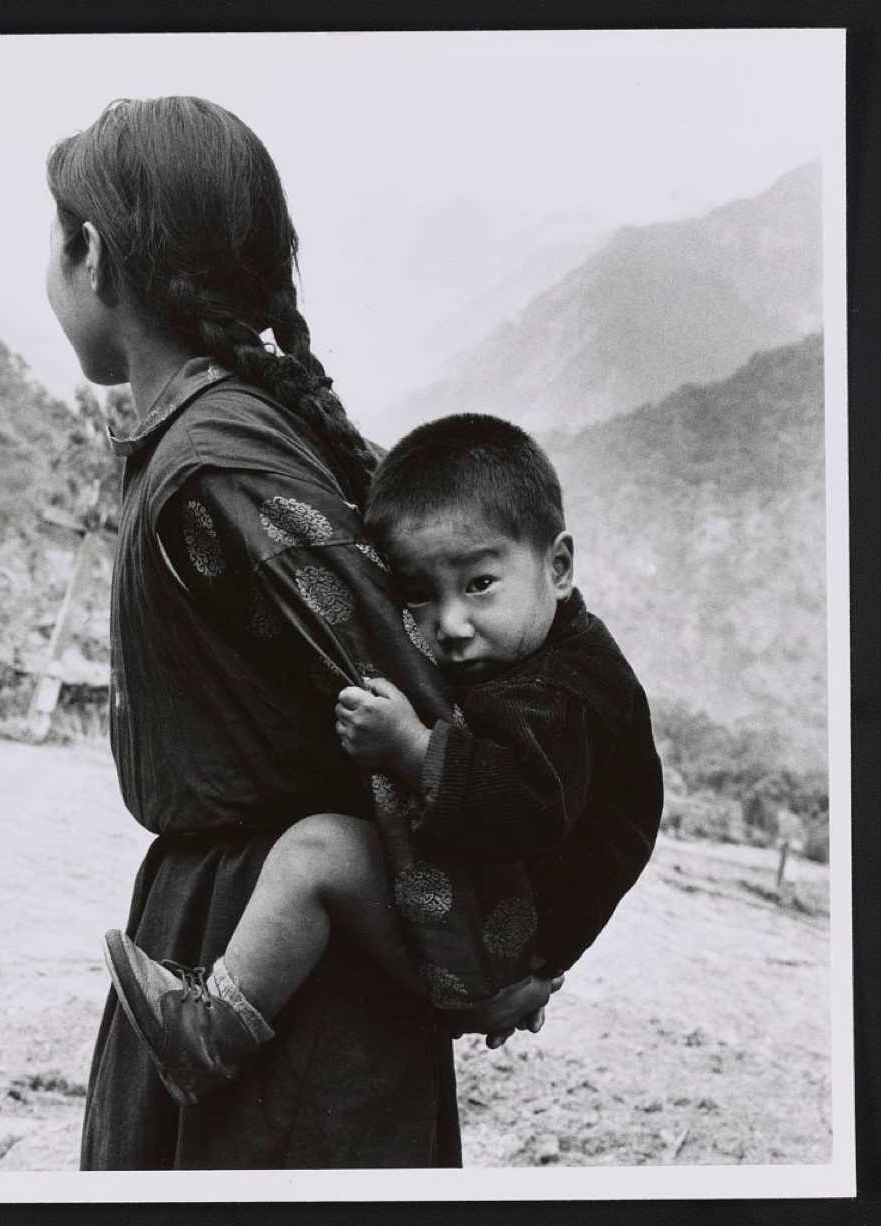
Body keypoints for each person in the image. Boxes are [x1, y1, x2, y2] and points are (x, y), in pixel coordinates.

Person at [45, 96, 560, 1171]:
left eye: (56, 236)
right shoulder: (206, 439)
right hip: (228, 926)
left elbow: (413, 681)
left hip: (286, 977)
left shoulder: (218, 459)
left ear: (92, 252)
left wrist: (480, 943)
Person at [104, 414, 664, 1109]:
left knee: (317, 855)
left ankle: (210, 1036)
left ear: (559, 565)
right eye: (420, 597)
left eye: (480, 583)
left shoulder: (567, 692)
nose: (451, 625)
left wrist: (411, 746)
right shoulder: (528, 650)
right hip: (508, 935)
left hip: (502, 942)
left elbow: (527, 806)